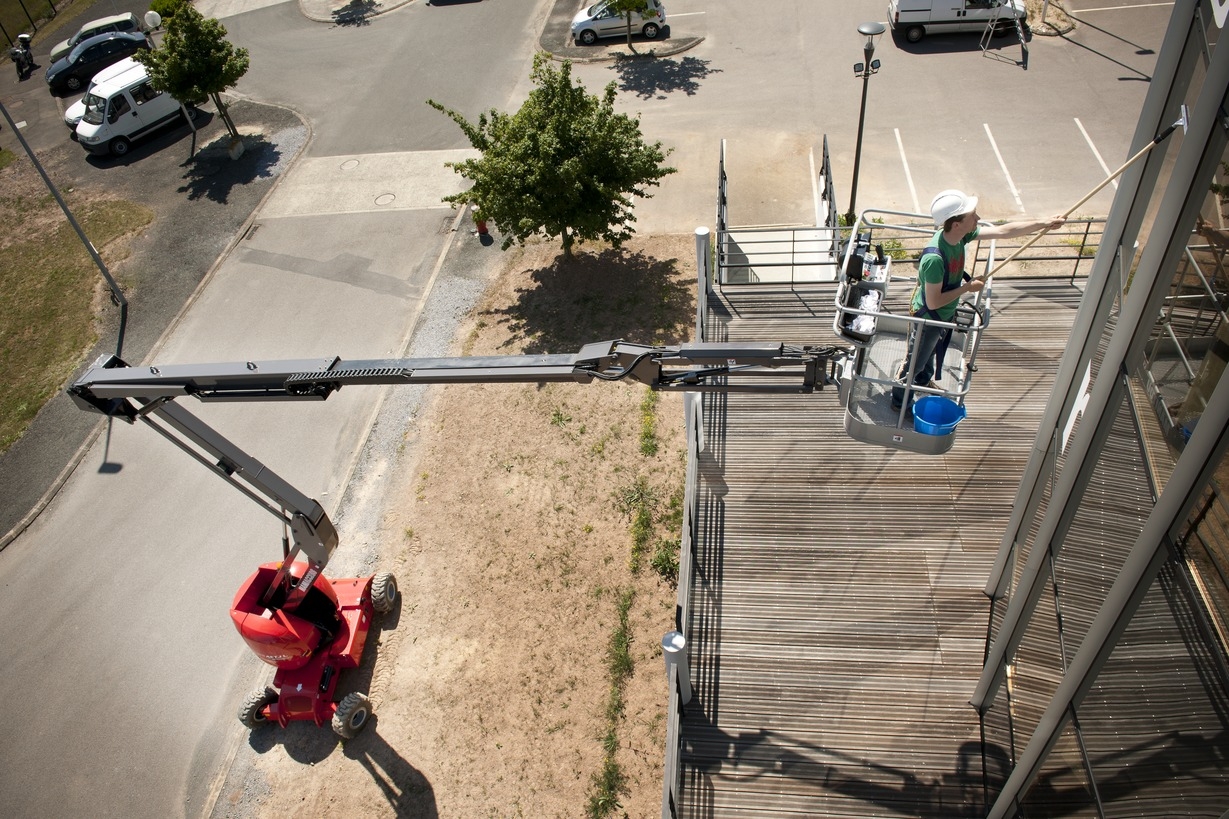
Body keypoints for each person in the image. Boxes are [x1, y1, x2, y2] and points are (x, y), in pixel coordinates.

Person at [891, 190, 1065, 412]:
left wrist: (1043, 223)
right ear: (956, 224)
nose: (978, 218)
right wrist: (967, 288)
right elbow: (933, 303)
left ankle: (923, 382)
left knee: (929, 355)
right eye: (972, 215)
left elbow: (1003, 231)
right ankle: (899, 404)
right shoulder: (934, 259)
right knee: (914, 364)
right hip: (929, 318)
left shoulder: (960, 236)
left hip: (941, 315)